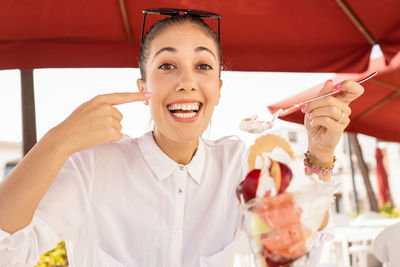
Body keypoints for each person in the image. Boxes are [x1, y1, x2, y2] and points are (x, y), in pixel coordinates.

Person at [0, 9, 363, 267]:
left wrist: (320, 151)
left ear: (218, 89)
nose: (186, 81)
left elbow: (301, 247)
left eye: (203, 66)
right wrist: (56, 141)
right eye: (167, 65)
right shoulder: (93, 166)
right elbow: (8, 253)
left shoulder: (242, 165)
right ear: (143, 88)